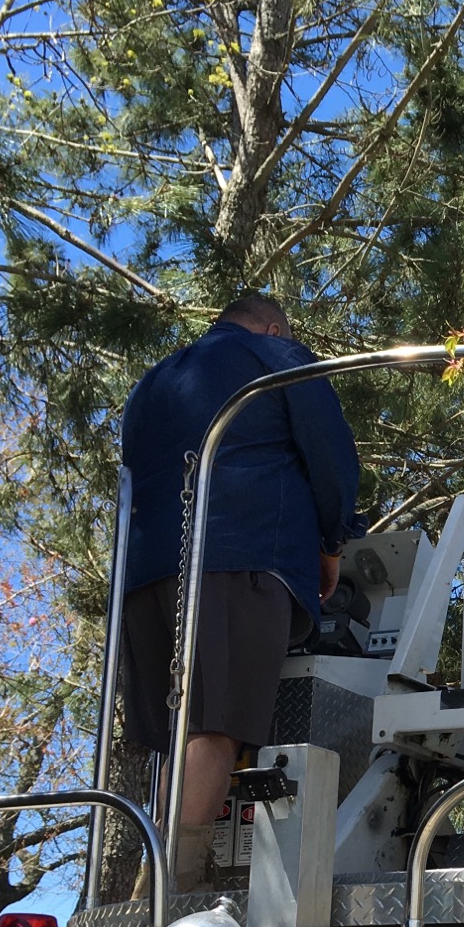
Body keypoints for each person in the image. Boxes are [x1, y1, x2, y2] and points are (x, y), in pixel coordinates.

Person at [118, 294, 360, 893]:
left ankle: (157, 869)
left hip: (144, 573)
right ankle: (168, 889)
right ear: (274, 325)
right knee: (214, 729)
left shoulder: (152, 383)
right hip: (239, 558)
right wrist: (331, 545)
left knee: (177, 734)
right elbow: (330, 459)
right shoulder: (277, 355)